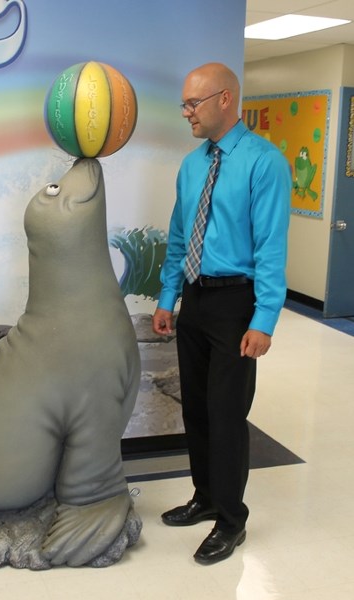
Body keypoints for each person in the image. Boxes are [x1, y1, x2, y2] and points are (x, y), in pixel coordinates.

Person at [152, 62, 290, 565]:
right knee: (196, 410)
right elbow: (176, 236)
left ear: (225, 100)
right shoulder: (191, 165)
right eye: (185, 103)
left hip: (237, 304)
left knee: (228, 415)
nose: (186, 111)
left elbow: (272, 247)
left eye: (193, 103)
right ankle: (205, 496)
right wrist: (169, 298)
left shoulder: (263, 162)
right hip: (194, 299)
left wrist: (265, 319)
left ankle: (232, 520)